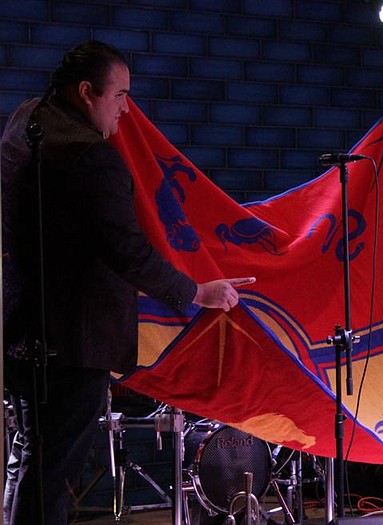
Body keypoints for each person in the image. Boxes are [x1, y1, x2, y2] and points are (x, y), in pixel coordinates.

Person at [1, 40, 256, 525]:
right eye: (119, 95)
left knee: (31, 459)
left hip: (20, 331)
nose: (126, 108)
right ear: (85, 92)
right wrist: (197, 291)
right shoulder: (90, 158)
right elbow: (128, 252)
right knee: (51, 471)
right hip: (72, 343)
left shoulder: (25, 123)